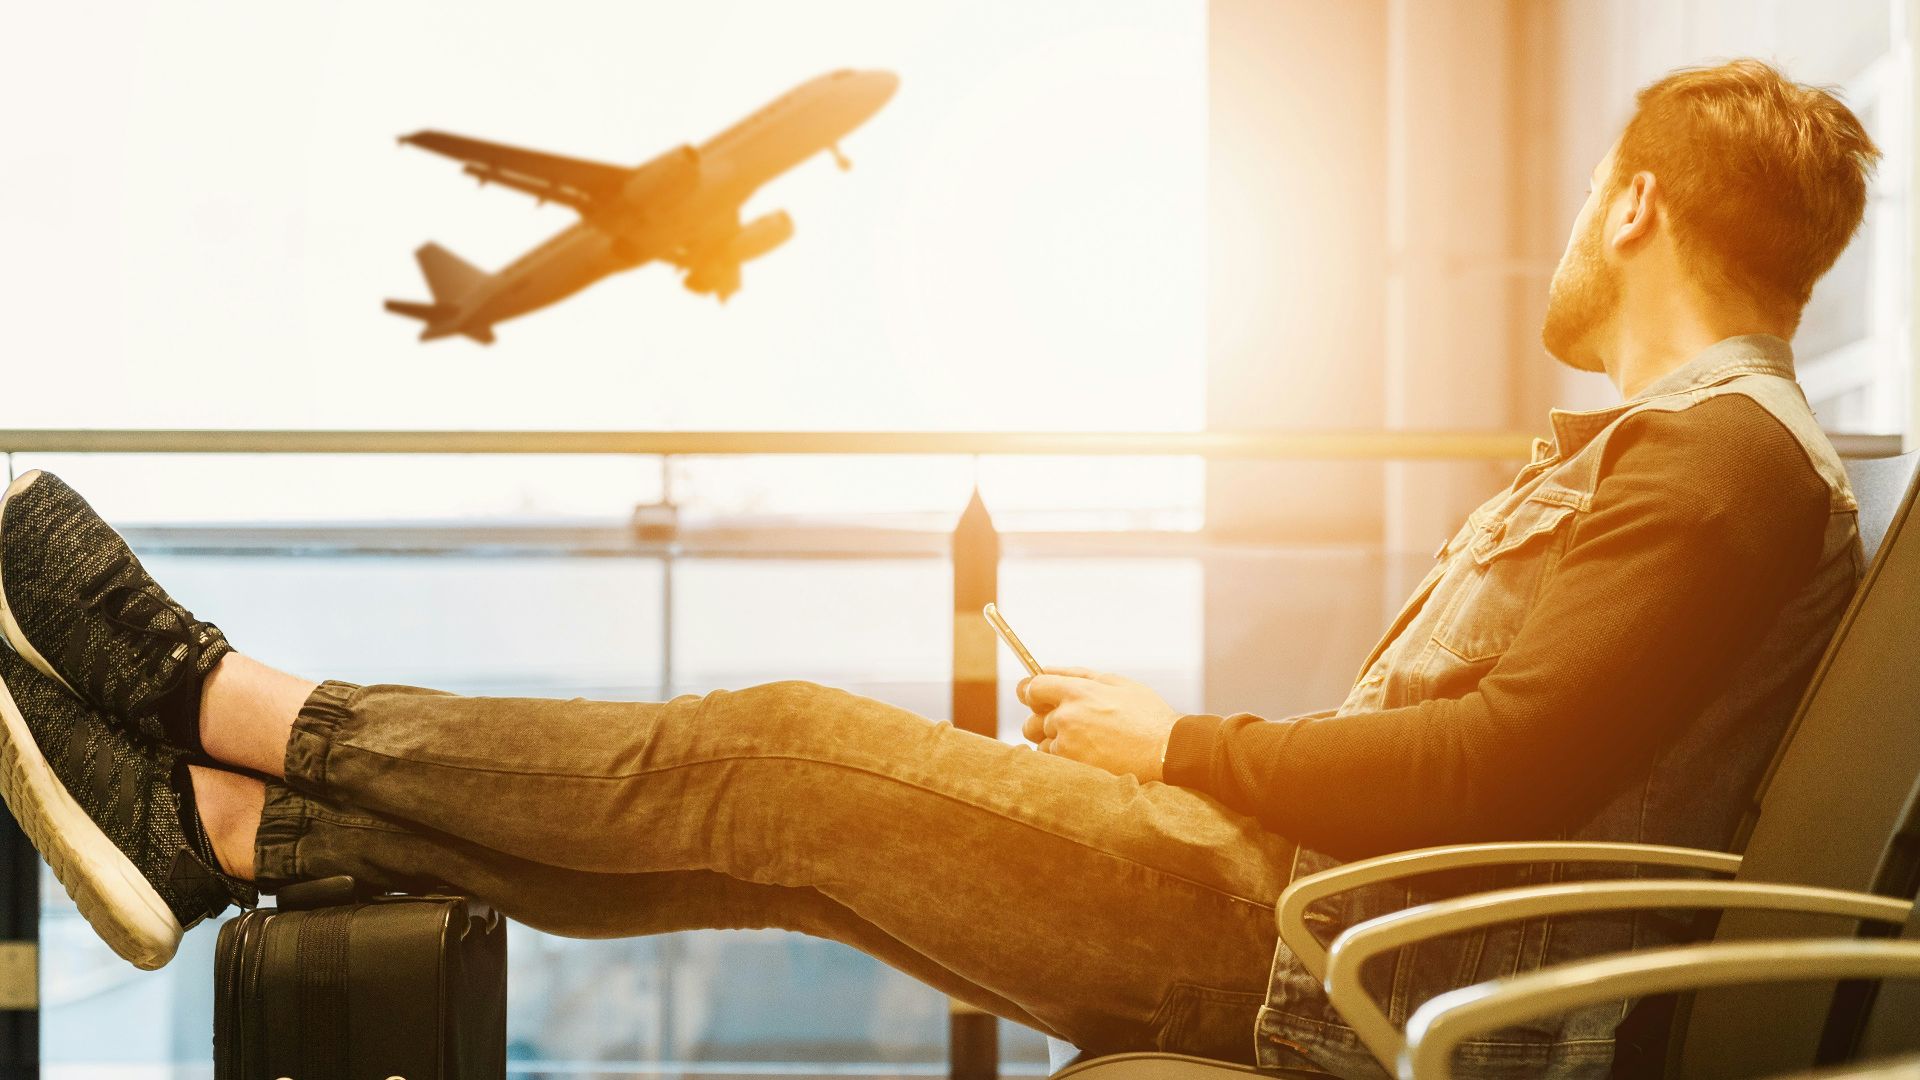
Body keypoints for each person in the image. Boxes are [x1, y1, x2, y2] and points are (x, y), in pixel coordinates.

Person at [0, 58, 1880, 1079]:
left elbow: (1492, 780)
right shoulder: (1703, 469)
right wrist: (1187, 757)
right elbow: (1497, 752)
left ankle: (210, 697)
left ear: (1633, 202)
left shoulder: (1720, 470)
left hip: (1307, 950)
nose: (1566, 229)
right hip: (1312, 916)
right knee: (770, 846)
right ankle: (232, 836)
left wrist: (1178, 750)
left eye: (1581, 200)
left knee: (764, 751)